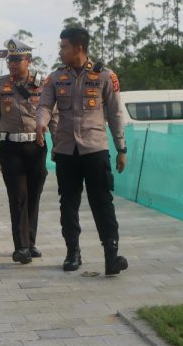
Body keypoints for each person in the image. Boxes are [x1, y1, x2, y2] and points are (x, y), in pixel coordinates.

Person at [36, 27, 128, 276]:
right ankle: (72, 252)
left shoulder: (105, 76)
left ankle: (111, 254)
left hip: (95, 149)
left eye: (64, 46)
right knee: (68, 203)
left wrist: (121, 148)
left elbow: (116, 114)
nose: (60, 51)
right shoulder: (55, 78)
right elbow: (44, 105)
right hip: (66, 151)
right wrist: (41, 122)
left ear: (78, 48)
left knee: (102, 202)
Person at [0, 38, 47, 264]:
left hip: (36, 145)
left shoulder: (43, 84)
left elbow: (54, 114)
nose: (12, 64)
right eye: (9, 59)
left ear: (28, 60)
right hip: (11, 147)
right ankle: (21, 246)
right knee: (18, 197)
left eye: (16, 59)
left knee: (34, 195)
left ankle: (30, 242)